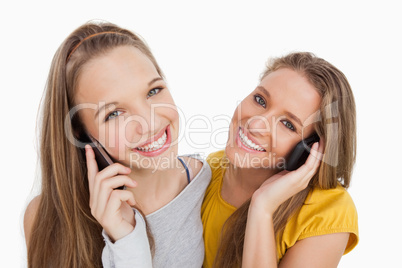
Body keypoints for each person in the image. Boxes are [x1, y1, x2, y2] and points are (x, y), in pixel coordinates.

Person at [23, 21, 211, 267]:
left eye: (153, 91)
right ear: (80, 131)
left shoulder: (205, 182)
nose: (149, 122)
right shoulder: (47, 218)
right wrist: (125, 241)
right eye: (114, 113)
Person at [202, 52, 359, 267]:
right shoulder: (209, 170)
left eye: (287, 124)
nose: (256, 124)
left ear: (311, 148)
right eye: (260, 100)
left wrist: (262, 208)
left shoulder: (327, 211)